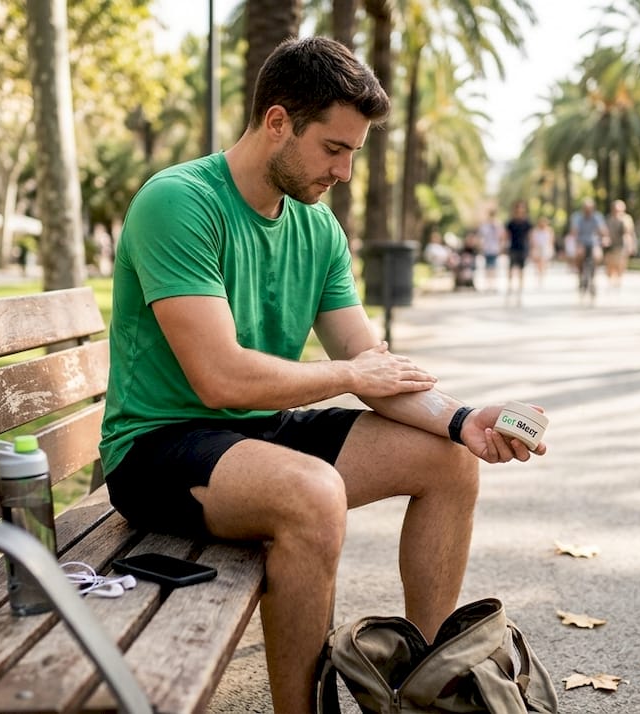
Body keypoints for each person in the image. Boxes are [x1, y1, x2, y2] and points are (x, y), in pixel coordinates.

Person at [98, 37, 547, 713]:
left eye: (353, 153)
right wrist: (347, 373)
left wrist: (462, 420)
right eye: (334, 149)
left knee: (450, 462)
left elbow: (375, 366)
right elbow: (221, 379)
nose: (343, 171)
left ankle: (421, 689)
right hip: (159, 445)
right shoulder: (179, 203)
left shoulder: (318, 229)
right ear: (277, 122)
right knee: (313, 493)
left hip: (259, 434)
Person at [565, 198, 607, 304]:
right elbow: (574, 231)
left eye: (590, 208)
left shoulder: (597, 217)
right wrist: (574, 241)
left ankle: (593, 276)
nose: (588, 210)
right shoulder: (577, 217)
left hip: (594, 242)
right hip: (581, 242)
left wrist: (605, 237)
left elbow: (602, 230)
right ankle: (580, 275)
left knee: (597, 255)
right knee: (579, 254)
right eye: (586, 208)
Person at [603, 199, 636, 291]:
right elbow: (605, 232)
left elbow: (629, 233)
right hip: (610, 246)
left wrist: (630, 245)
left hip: (622, 245)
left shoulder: (626, 219)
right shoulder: (608, 219)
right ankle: (611, 280)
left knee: (620, 263)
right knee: (610, 264)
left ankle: (619, 280)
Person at [504, 200, 531, 305]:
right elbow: (506, 235)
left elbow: (530, 236)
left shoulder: (527, 222)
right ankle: (510, 289)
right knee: (511, 270)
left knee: (521, 271)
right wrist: (504, 246)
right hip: (513, 248)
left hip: (523, 248)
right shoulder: (511, 222)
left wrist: (532, 248)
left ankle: (519, 292)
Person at [476, 208, 502, 291]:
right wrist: (481, 246)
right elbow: (481, 236)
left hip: (494, 248)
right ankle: (488, 284)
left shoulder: (497, 224)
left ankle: (493, 284)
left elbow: (500, 236)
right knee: (487, 266)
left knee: (493, 266)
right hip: (487, 248)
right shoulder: (485, 225)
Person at [528, 215, 555, 288]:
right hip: (537, 248)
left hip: (545, 248)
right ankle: (538, 276)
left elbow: (551, 240)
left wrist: (551, 248)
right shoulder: (535, 230)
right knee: (538, 263)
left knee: (543, 263)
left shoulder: (549, 230)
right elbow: (532, 240)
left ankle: (541, 277)